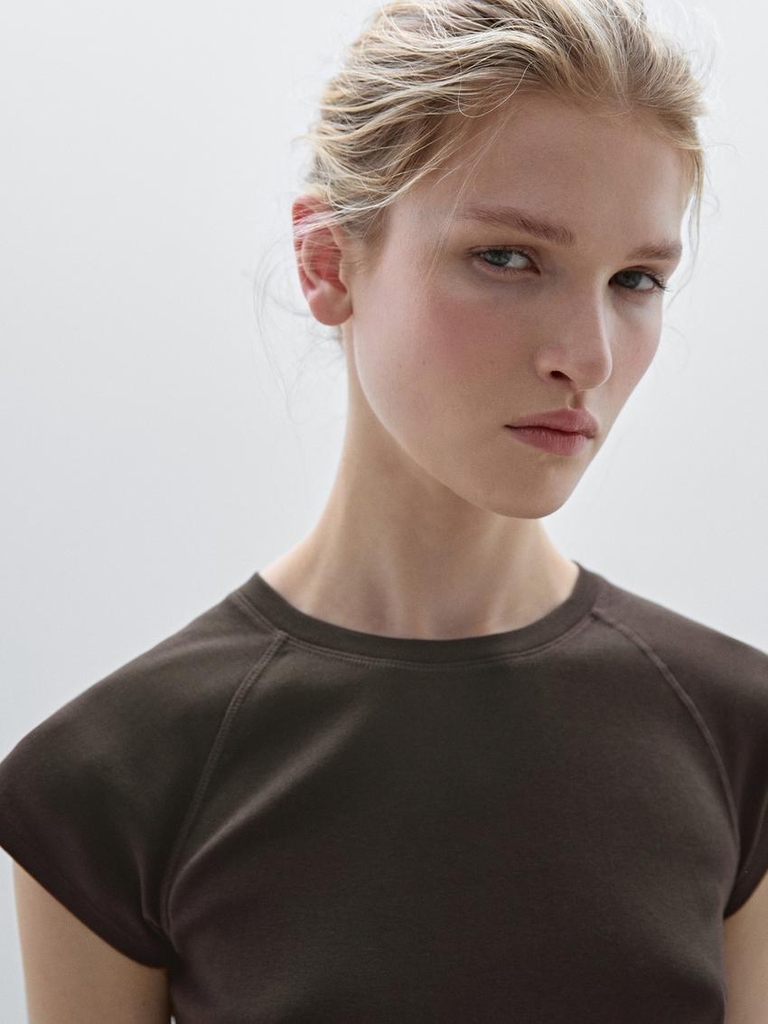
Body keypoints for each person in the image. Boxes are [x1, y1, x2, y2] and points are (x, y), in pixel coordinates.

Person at [1, 0, 767, 1021]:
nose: (587, 356)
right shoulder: (108, 779)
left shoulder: (740, 734)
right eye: (508, 257)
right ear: (327, 263)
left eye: (636, 278)